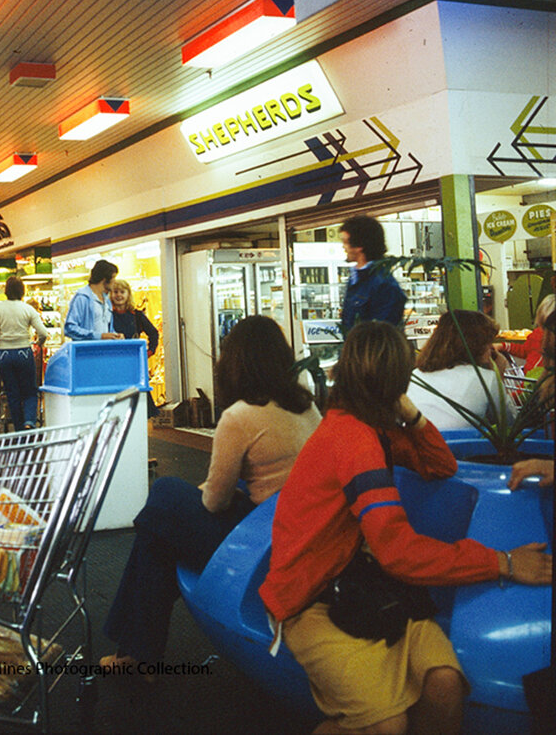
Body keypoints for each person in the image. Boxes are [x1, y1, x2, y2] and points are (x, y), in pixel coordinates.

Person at [260, 321, 551, 735]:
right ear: (399, 376)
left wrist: (409, 414)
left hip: (363, 587)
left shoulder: (366, 428)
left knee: (444, 685)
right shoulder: (355, 440)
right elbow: (398, 552)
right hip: (314, 600)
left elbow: (440, 465)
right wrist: (501, 562)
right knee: (388, 724)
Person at [100, 316, 321, 671]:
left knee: (165, 495)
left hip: (260, 541)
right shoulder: (307, 406)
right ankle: (136, 657)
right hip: (296, 529)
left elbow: (213, 501)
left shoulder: (239, 416)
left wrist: (211, 492)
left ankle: (136, 655)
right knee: (157, 537)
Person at [406, 310, 513, 431]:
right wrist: (499, 375)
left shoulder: (415, 376)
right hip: (461, 448)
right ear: (476, 345)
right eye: (488, 342)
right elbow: (508, 423)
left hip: (418, 445)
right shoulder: (486, 378)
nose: (492, 349)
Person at [0, 276, 49, 430]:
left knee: (12, 393)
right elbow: (43, 333)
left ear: (5, 291)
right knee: (29, 390)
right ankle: (29, 421)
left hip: (4, 355)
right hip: (24, 352)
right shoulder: (28, 309)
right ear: (22, 291)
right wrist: (38, 343)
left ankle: (19, 429)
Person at [339, 215, 406, 331]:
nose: (343, 247)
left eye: (345, 242)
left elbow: (381, 335)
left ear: (359, 245)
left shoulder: (384, 285)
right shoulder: (357, 279)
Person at [110, 278, 160, 417]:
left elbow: (154, 333)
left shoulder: (137, 316)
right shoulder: (107, 315)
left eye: (122, 291)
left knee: (139, 400)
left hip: (134, 365)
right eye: (115, 292)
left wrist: (149, 352)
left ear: (128, 294)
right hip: (114, 364)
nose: (119, 295)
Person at [64, 259, 123, 340]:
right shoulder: (82, 298)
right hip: (86, 351)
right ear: (105, 279)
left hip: (104, 351)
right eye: (113, 278)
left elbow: (107, 328)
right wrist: (99, 336)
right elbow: (69, 328)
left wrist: (115, 335)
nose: (115, 282)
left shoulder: (107, 301)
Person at [498, 294, 554, 373]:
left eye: (551, 329)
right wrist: (503, 346)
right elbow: (524, 350)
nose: (546, 334)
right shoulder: (536, 334)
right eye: (543, 327)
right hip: (529, 380)